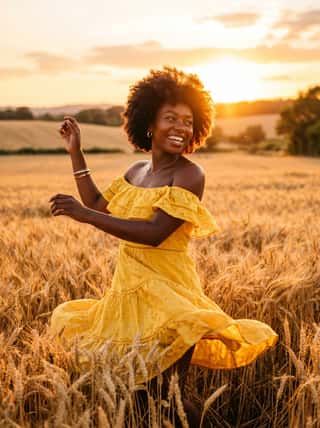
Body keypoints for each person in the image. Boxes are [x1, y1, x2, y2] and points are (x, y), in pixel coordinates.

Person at [49, 66, 278, 426]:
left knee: (168, 398)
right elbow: (97, 205)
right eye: (170, 118)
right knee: (140, 401)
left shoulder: (189, 173)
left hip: (170, 297)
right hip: (129, 294)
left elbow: (155, 232)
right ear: (149, 123)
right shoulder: (137, 171)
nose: (181, 127)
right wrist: (75, 153)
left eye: (188, 121)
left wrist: (84, 216)